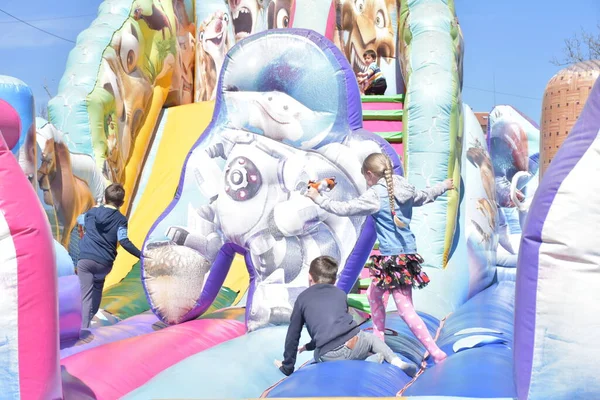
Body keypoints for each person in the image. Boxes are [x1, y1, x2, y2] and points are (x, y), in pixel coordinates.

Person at [306, 153, 454, 365]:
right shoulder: (404, 187)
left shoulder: (376, 194)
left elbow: (345, 209)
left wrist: (318, 198)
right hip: (404, 257)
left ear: (369, 175)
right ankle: (380, 341)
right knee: (374, 295)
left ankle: (435, 351)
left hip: (393, 260)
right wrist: (444, 186)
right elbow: (425, 196)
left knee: (405, 310)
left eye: (365, 178)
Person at [275, 256, 418, 377]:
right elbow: (337, 327)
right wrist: (308, 346)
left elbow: (293, 336)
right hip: (356, 342)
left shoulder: (302, 299)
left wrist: (287, 367)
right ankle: (396, 361)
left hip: (330, 356)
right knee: (371, 338)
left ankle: (368, 362)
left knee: (317, 355)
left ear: (309, 277)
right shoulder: (340, 294)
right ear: (334, 280)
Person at [76, 183, 141, 329]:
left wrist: (82, 228)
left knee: (85, 295)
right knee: (97, 288)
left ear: (105, 198)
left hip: (86, 260)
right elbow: (124, 241)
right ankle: (88, 320)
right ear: (122, 203)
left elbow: (79, 219)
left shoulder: (92, 213)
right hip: (104, 263)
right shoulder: (121, 220)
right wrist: (141, 255)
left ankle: (83, 329)